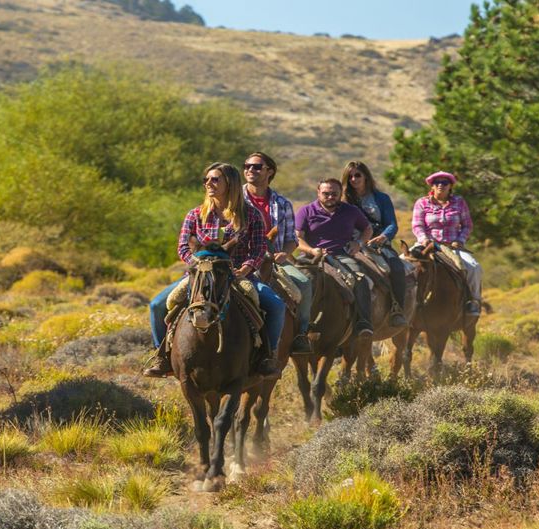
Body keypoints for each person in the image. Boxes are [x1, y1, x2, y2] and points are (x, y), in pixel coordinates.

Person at [142, 162, 285, 378]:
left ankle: (267, 357)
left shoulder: (251, 215)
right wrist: (197, 265)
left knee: (276, 306)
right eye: (206, 179)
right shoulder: (195, 214)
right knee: (157, 305)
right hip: (198, 276)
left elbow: (258, 248)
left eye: (215, 179)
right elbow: (183, 247)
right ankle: (162, 357)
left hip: (237, 275)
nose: (209, 183)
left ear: (230, 183)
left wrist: (246, 268)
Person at [242, 151, 313, 354]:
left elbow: (292, 239)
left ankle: (301, 334)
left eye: (257, 167)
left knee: (304, 283)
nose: (250, 170)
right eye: (247, 166)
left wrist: (284, 253)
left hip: (274, 258)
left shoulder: (282, 204)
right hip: (241, 257)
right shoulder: (235, 199)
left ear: (270, 172)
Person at [295, 178, 374, 336]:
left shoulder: (351, 211)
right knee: (296, 282)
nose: (330, 197)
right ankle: (295, 326)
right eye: (326, 193)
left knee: (359, 279)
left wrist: (358, 243)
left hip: (341, 255)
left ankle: (363, 322)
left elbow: (368, 229)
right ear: (318, 193)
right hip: (311, 259)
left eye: (334, 193)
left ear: (341, 193)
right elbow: (298, 238)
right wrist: (312, 250)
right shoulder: (306, 211)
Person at [342, 160, 408, 327]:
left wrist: (384, 237)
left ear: (366, 176)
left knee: (397, 268)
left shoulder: (381, 198)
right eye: (350, 176)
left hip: (377, 244)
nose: (354, 179)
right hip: (350, 245)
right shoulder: (342, 200)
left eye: (358, 175)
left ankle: (397, 309)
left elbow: (392, 224)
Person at [411, 171, 483, 316]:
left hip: (452, 246)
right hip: (426, 245)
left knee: (474, 267)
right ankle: (401, 303)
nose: (440, 185)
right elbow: (417, 225)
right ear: (432, 186)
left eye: (444, 183)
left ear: (450, 186)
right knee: (402, 264)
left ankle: (473, 301)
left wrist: (460, 240)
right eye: (436, 183)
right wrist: (424, 239)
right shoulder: (422, 203)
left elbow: (467, 225)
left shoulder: (459, 202)